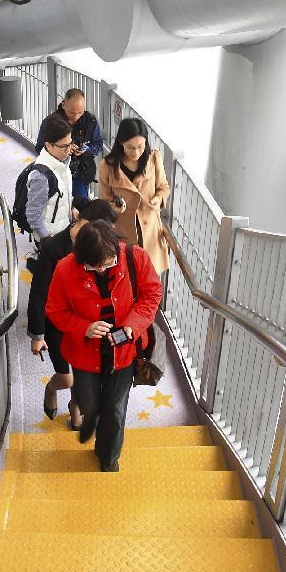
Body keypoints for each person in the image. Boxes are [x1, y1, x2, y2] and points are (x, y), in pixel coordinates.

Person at [46, 220, 162, 471]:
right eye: (92, 266)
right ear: (80, 258)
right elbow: (54, 310)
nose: (100, 269)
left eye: (107, 263)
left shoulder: (135, 258)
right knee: (90, 404)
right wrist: (83, 327)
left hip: (124, 353)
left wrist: (132, 325)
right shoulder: (65, 269)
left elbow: (152, 295)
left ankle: (108, 459)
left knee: (115, 412)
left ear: (115, 250)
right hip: (84, 354)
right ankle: (93, 424)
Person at [28, 199, 118, 430]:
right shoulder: (52, 249)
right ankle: (52, 388)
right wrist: (37, 334)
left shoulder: (100, 249)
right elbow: (39, 294)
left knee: (84, 374)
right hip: (57, 322)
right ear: (85, 223)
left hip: (87, 321)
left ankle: (76, 410)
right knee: (67, 377)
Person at [98, 117, 170, 274]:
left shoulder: (154, 158)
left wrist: (158, 199)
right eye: (130, 147)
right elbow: (104, 202)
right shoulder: (107, 166)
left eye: (141, 147)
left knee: (150, 279)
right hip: (123, 232)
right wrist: (114, 207)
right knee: (127, 278)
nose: (136, 152)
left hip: (150, 233)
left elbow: (163, 187)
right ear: (121, 142)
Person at [35, 88, 103, 199]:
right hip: (56, 172)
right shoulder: (51, 123)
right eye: (72, 112)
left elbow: (98, 143)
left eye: (80, 112)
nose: (76, 117)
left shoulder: (91, 121)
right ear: (63, 104)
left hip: (81, 173)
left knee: (81, 205)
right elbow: (39, 148)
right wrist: (64, 149)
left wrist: (87, 149)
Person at [25, 113, 73, 242]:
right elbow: (33, 215)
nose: (69, 150)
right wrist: (47, 240)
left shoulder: (62, 162)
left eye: (70, 144)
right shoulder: (41, 177)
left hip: (63, 231)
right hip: (50, 240)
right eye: (64, 146)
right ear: (48, 145)